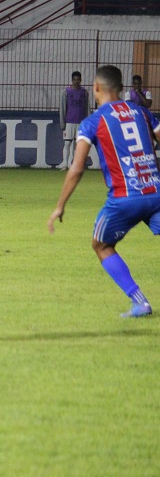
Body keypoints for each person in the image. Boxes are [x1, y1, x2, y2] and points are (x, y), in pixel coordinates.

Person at [48, 65, 160, 318]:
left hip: (124, 198)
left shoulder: (93, 122)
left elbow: (77, 169)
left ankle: (139, 301)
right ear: (121, 88)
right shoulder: (142, 112)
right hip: (156, 192)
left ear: (96, 88)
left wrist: (60, 205)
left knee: (101, 244)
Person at [59, 70, 90, 170]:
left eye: (78, 80)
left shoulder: (84, 92)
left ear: (81, 80)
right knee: (67, 143)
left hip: (80, 122)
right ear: (72, 80)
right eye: (74, 80)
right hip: (69, 121)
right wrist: (62, 122)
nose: (76, 81)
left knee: (77, 146)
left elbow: (87, 108)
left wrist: (87, 122)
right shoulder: (66, 92)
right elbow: (63, 107)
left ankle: (75, 165)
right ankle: (64, 164)